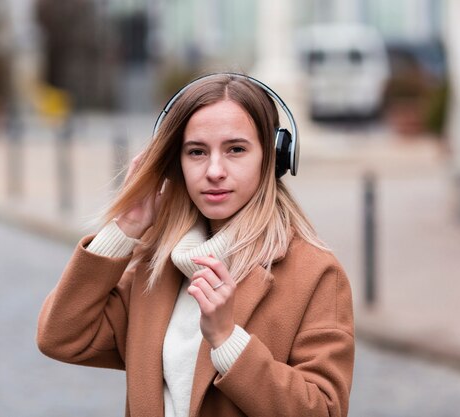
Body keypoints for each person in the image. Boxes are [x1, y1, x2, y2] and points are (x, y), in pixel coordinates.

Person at [37, 73, 355, 417]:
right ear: (175, 164)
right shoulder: (156, 270)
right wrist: (126, 227)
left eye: (236, 149)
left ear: (273, 158)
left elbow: (324, 410)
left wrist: (227, 339)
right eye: (196, 152)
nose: (214, 170)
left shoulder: (315, 274)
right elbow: (61, 336)